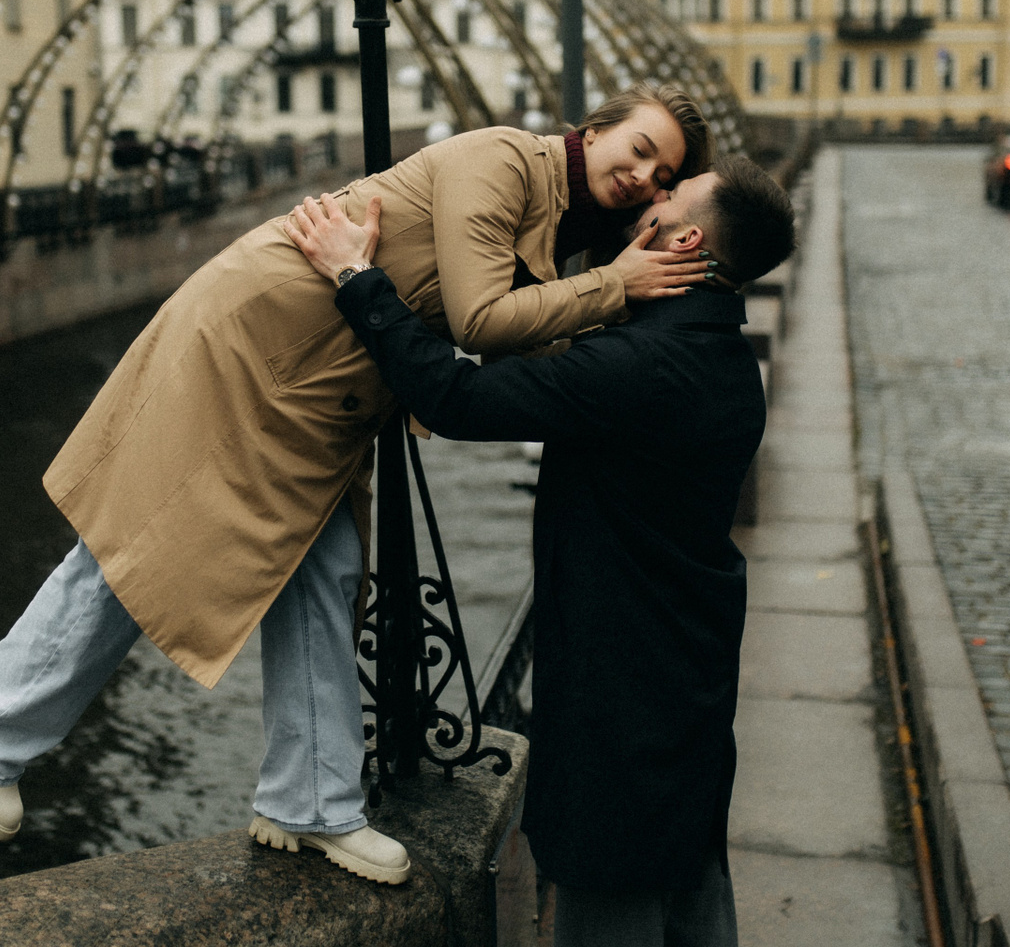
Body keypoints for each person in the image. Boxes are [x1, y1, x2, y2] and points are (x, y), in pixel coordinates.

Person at [0, 83, 714, 885]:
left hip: (318, 390)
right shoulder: (504, 159)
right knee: (147, 542)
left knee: (324, 571)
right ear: (596, 129)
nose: (642, 176)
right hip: (259, 347)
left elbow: (520, 348)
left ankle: (309, 801)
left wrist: (615, 320)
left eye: (663, 176)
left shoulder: (559, 223)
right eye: (640, 148)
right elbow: (481, 320)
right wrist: (617, 286)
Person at [280, 152, 796, 944]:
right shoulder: (722, 358)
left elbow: (454, 397)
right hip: (689, 681)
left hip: (618, 705)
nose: (655, 195)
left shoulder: (638, 367)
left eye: (673, 193)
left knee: (609, 898)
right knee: (691, 888)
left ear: (685, 239)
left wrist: (358, 279)